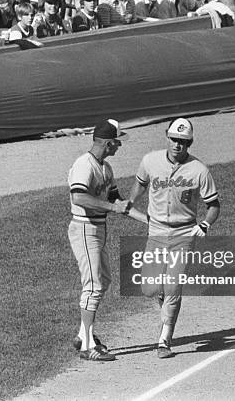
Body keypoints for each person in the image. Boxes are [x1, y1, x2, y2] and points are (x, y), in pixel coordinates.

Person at [127, 118, 220, 359]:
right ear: (166, 137)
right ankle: (164, 298)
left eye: (183, 141)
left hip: (184, 234)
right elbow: (140, 184)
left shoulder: (199, 170)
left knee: (173, 286)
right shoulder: (150, 161)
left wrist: (206, 224)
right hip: (156, 232)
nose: (177, 145)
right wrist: (130, 202)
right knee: (149, 288)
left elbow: (214, 205)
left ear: (190, 143)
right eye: (173, 139)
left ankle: (164, 340)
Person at [68, 119, 131, 362]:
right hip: (84, 229)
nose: (119, 146)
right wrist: (112, 208)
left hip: (98, 230)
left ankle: (83, 334)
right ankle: (86, 346)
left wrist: (149, 220)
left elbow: (118, 202)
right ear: (107, 142)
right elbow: (79, 198)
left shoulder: (106, 168)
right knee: (93, 285)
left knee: (103, 280)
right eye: (117, 141)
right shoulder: (84, 165)